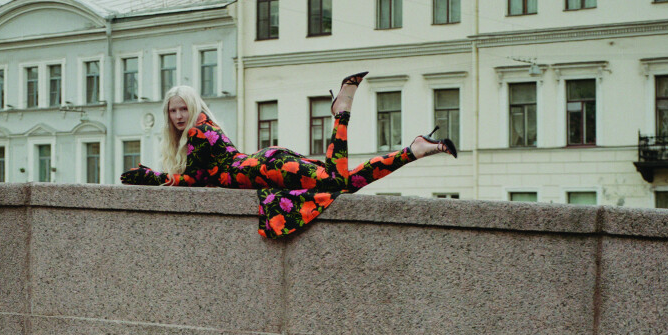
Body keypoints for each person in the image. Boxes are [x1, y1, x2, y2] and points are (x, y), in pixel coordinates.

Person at [120, 76, 456, 239]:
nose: (179, 115)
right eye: (174, 110)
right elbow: (200, 178)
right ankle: (415, 149)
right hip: (269, 167)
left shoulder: (198, 131)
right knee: (342, 182)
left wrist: (158, 178)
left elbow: (193, 180)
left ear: (193, 109)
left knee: (336, 181)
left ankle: (342, 113)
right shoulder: (204, 129)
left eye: (183, 108)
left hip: (266, 169)